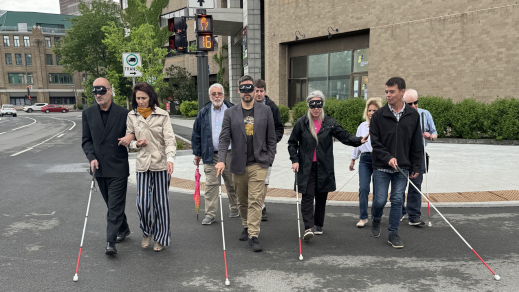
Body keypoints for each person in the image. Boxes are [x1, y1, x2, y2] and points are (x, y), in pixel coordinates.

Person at [288, 91, 368, 241]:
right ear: (309, 106)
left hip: (323, 167)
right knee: (307, 196)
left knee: (321, 196)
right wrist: (295, 160)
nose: (316, 108)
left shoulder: (329, 122)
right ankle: (308, 227)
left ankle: (318, 225)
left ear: (322, 105)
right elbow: (292, 143)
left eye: (319, 105)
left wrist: (358, 140)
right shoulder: (302, 123)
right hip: (307, 167)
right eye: (313, 105)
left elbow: (344, 136)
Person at [216, 75, 277, 252]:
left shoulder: (265, 111)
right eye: (243, 88)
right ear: (239, 91)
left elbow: (271, 138)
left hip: (259, 163)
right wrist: (221, 161)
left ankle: (253, 235)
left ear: (254, 89)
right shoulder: (230, 113)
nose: (247, 92)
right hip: (238, 164)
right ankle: (246, 225)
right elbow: (223, 139)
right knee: (241, 201)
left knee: (255, 200)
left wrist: (269, 158)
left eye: (250, 88)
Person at [370, 77, 423, 249]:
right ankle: (376, 218)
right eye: (386, 91)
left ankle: (393, 233)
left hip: (403, 167)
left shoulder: (413, 115)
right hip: (381, 166)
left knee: (397, 200)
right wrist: (387, 157)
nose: (388, 95)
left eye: (392, 91)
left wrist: (416, 166)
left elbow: (416, 143)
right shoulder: (379, 115)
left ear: (402, 92)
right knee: (379, 201)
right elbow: (375, 142)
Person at [82, 77, 133, 255]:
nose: (98, 94)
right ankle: (124, 227)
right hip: (99, 166)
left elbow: (135, 131)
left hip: (118, 165)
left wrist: (131, 137)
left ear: (110, 91)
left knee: (114, 205)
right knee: (111, 203)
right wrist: (91, 157)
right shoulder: (88, 113)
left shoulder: (124, 113)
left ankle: (110, 241)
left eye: (102, 90)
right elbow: (86, 141)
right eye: (95, 91)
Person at [126, 83, 176, 252]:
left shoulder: (162, 115)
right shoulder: (132, 116)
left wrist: (170, 159)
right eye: (138, 98)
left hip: (161, 164)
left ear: (151, 98)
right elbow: (129, 140)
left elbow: (170, 140)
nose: (140, 101)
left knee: (161, 203)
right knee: (143, 202)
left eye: (144, 98)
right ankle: (147, 231)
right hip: (142, 165)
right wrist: (135, 143)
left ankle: (161, 237)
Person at [191, 83, 239, 225]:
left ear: (224, 95)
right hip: (210, 154)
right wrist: (197, 153)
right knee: (211, 184)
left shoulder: (233, 109)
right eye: (214, 94)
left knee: (232, 182)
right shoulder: (204, 112)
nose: (217, 96)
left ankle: (235, 207)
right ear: (209, 96)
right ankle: (210, 214)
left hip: (230, 153)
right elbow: (196, 134)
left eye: (219, 93)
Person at [401, 89, 438, 225]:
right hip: (404, 153)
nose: (413, 106)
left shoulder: (424, 114)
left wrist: (430, 136)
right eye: (410, 104)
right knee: (400, 183)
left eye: (415, 103)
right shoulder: (400, 115)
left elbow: (435, 133)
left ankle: (414, 215)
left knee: (416, 184)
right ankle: (400, 211)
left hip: (419, 153)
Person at [252, 79, 284, 221]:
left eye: (261, 91)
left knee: (264, 179)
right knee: (252, 178)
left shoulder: (271, 107)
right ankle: (253, 205)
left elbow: (279, 128)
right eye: (256, 91)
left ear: (265, 92)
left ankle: (261, 206)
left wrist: (271, 143)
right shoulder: (248, 106)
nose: (259, 93)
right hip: (250, 150)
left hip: (266, 151)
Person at [350, 97, 383, 228]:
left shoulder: (383, 126)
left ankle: (376, 216)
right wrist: (353, 159)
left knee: (378, 190)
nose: (371, 113)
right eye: (369, 110)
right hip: (364, 160)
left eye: (374, 110)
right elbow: (357, 144)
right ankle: (363, 217)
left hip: (379, 159)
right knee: (363, 188)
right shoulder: (362, 126)